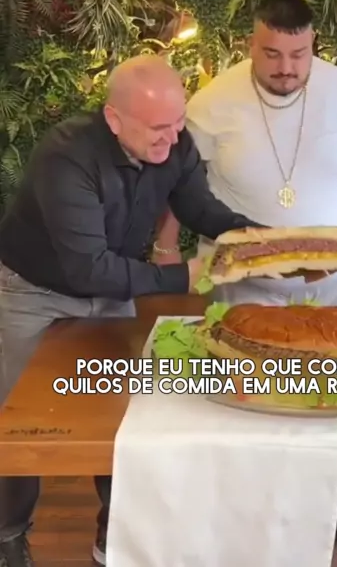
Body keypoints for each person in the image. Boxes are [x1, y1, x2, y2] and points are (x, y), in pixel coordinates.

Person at [0, 55, 262, 567]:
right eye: (158, 128)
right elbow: (87, 270)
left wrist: (258, 240)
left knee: (122, 416)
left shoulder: (174, 141)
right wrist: (185, 276)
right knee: (18, 424)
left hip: (113, 286)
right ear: (114, 119)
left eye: (178, 122)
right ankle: (8, 534)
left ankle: (115, 531)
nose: (173, 138)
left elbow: (200, 208)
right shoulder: (66, 156)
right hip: (34, 291)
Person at [157, 0, 337, 312]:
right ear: (251, 44)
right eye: (272, 54)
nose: (286, 67)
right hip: (243, 282)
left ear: (312, 42)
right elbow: (177, 177)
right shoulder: (212, 102)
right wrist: (165, 246)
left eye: (298, 54)